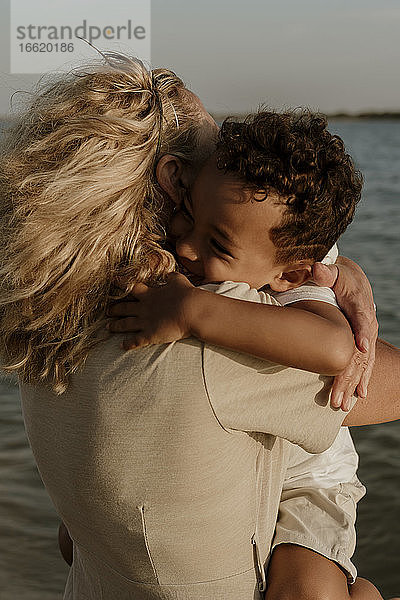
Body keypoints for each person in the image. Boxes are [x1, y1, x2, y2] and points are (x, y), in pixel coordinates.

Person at [0, 53, 399, 599]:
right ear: (169, 185)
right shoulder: (197, 321)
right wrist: (336, 284)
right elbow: (365, 374)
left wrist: (335, 274)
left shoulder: (52, 314)